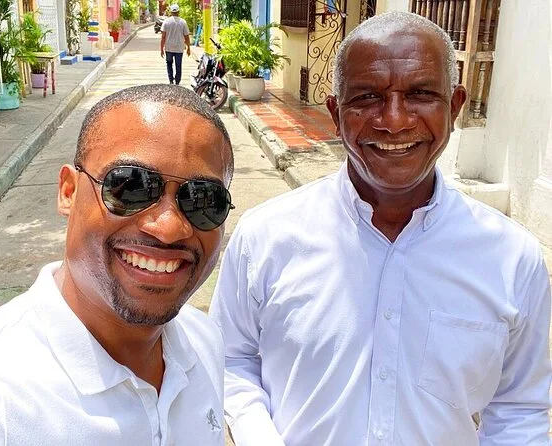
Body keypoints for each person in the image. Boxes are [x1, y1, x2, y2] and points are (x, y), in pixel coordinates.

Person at [210, 11, 551, 446]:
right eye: (367, 97)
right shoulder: (265, 238)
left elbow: (519, 409)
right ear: (336, 113)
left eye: (420, 94)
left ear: (454, 107)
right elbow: (230, 360)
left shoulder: (512, 259)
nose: (394, 121)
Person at [0, 84, 235, 445]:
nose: (169, 228)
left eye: (204, 200)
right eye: (130, 186)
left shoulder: (204, 342)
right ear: (69, 191)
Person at [160, 4, 191, 85]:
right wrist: (188, 48)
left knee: (169, 64)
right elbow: (186, 36)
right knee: (178, 65)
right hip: (179, 48)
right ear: (178, 12)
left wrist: (161, 49)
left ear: (171, 12)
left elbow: (163, 37)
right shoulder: (183, 22)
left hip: (169, 48)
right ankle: (177, 82)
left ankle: (171, 80)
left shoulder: (166, 22)